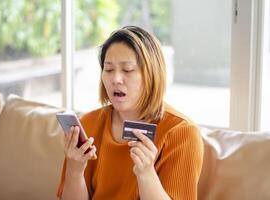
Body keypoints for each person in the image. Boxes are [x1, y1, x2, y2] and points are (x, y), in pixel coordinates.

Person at [57, 26, 204, 200]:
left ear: (151, 75)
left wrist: (147, 174)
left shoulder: (182, 133)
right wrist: (74, 169)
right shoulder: (88, 124)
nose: (115, 79)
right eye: (109, 69)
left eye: (127, 70)